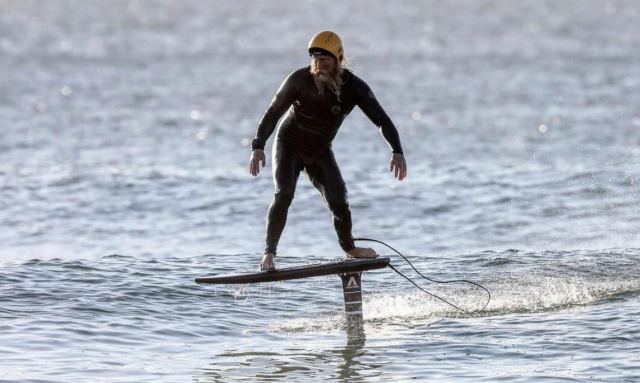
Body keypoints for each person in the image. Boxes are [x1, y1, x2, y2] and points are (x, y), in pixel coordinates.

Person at [249, 31, 407, 271]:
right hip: (289, 143)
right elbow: (273, 112)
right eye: (315, 60)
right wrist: (258, 145)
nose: (319, 65)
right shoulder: (299, 79)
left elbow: (381, 119)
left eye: (325, 60)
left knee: (339, 200)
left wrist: (397, 150)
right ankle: (269, 254)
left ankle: (350, 248)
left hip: (320, 149)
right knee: (284, 194)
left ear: (339, 59)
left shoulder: (354, 87)